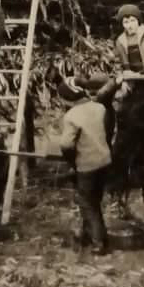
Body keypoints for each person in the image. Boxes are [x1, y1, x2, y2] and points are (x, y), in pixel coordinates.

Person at [58, 73, 113, 255]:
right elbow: (107, 130)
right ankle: (91, 234)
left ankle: (99, 242)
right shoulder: (99, 108)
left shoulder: (71, 116)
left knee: (87, 203)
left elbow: (66, 144)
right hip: (104, 160)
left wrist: (71, 159)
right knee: (94, 200)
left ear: (69, 98)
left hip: (87, 164)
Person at [114, 3, 144, 69]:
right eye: (126, 22)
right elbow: (118, 61)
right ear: (122, 24)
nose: (130, 25)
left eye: (133, 21)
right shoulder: (120, 41)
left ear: (138, 21)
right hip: (133, 76)